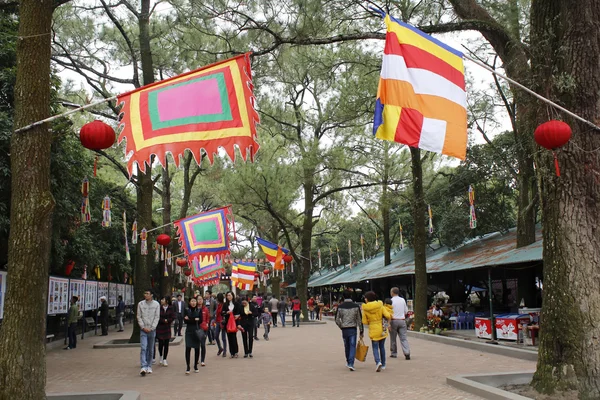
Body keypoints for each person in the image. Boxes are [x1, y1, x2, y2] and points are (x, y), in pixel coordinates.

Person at [362, 291, 391, 372]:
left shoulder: (365, 308)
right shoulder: (380, 306)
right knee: (382, 347)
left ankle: (378, 362)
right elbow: (388, 315)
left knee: (375, 347)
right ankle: (384, 364)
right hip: (382, 328)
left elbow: (364, 321)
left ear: (367, 299)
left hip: (373, 328)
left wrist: (369, 321)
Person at [335, 290, 364, 371]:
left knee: (346, 345)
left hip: (344, 329)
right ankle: (351, 363)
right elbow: (359, 319)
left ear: (343, 297)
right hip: (353, 328)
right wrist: (361, 331)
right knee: (352, 345)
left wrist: (342, 326)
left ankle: (348, 361)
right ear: (351, 296)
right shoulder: (356, 306)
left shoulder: (340, 307)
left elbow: (337, 319)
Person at [137, 289, 160, 376]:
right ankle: (143, 366)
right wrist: (142, 327)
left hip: (152, 329)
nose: (145, 295)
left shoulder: (156, 304)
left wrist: (152, 327)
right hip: (143, 329)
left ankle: (149, 366)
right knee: (143, 347)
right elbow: (139, 316)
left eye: (147, 293)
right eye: (145, 293)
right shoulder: (140, 304)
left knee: (150, 348)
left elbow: (157, 317)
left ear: (151, 295)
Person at [389, 287, 411, 360]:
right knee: (403, 338)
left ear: (392, 292)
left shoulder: (391, 301)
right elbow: (406, 311)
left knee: (393, 338)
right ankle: (407, 352)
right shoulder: (402, 300)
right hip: (402, 320)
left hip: (393, 320)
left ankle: (394, 353)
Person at [184, 297, 202, 374]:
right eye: (192, 301)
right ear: (189, 302)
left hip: (196, 331)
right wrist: (194, 319)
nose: (193, 302)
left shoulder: (199, 310)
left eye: (195, 301)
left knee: (197, 348)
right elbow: (185, 320)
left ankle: (195, 365)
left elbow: (201, 320)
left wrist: (190, 319)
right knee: (188, 348)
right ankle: (188, 366)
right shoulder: (187, 310)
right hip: (188, 331)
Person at [156, 295, 174, 367]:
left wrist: (168, 320)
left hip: (167, 327)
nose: (161, 301)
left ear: (167, 300)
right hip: (160, 327)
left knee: (166, 343)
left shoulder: (171, 308)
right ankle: (160, 355)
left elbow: (173, 316)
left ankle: (165, 359)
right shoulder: (159, 308)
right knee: (160, 343)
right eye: (161, 299)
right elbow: (157, 316)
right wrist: (163, 320)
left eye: (163, 299)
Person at [222, 291, 242, 358]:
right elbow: (222, 313)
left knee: (234, 337)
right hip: (227, 323)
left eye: (230, 295)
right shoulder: (225, 304)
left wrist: (237, 316)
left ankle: (236, 351)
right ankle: (231, 352)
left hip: (234, 323)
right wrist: (226, 312)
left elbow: (240, 312)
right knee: (229, 337)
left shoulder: (236, 304)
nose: (229, 296)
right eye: (227, 295)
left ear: (233, 296)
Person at [199, 294, 211, 366]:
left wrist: (207, 324)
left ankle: (202, 360)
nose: (200, 301)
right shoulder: (195, 309)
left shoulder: (205, 309)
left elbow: (207, 318)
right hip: (197, 328)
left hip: (204, 329)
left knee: (203, 345)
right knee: (197, 345)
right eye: (198, 299)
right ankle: (197, 358)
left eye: (201, 299)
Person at [214, 293, 227, 357]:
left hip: (222, 322)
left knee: (223, 337)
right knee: (216, 336)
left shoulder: (224, 305)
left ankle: (225, 351)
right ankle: (220, 348)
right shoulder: (217, 305)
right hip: (217, 322)